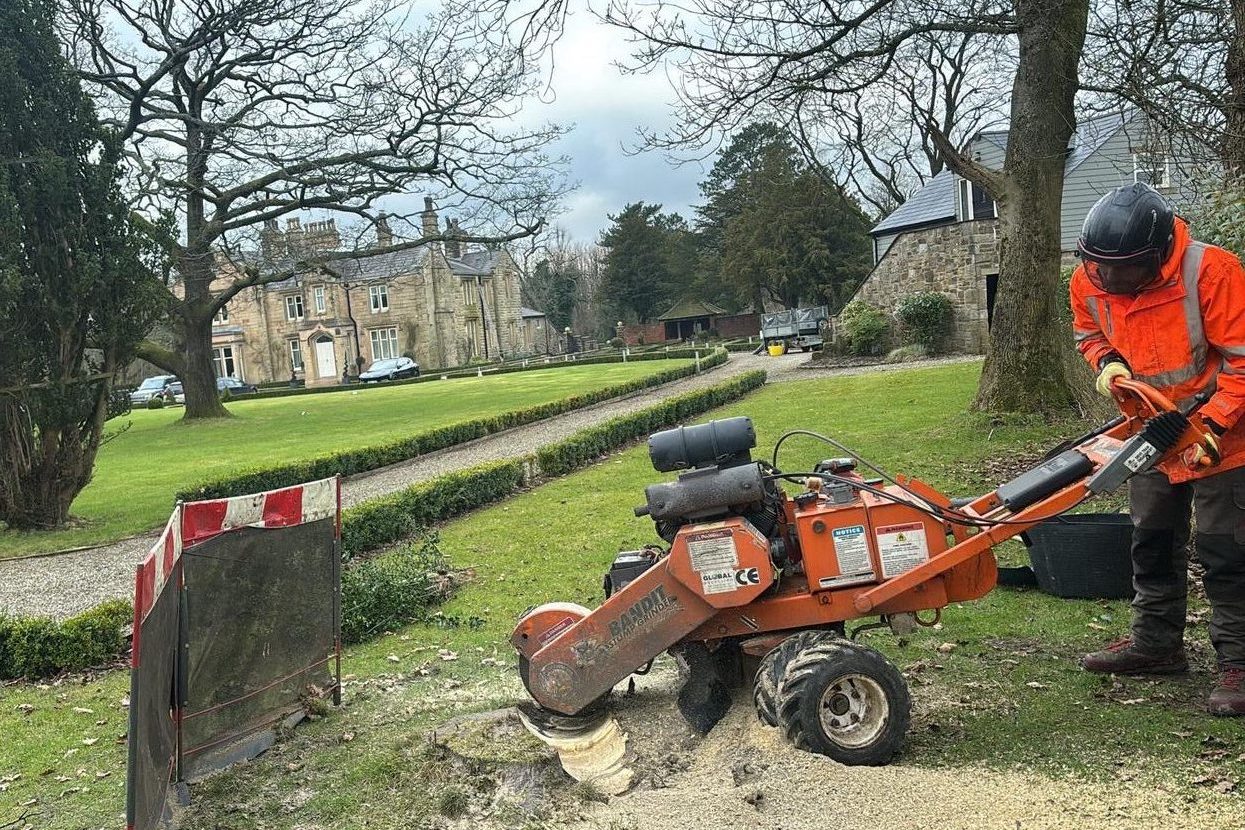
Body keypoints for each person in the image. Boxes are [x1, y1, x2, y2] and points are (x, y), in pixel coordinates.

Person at [1070, 182, 1245, 715]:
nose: (1112, 280)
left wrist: (1213, 425)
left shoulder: (1212, 273)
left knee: (1226, 553)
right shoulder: (1091, 278)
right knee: (1151, 540)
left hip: (1224, 437)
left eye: (1124, 270)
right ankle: (1156, 644)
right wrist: (1107, 366)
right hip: (1149, 430)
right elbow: (1087, 332)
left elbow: (1243, 362)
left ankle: (1238, 664)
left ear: (1156, 254)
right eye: (1102, 269)